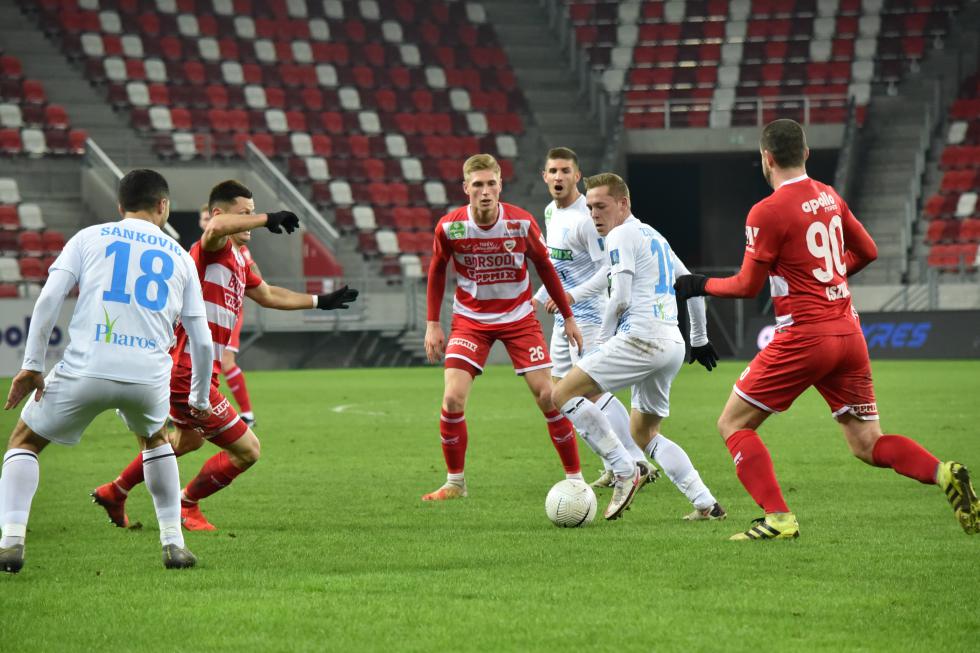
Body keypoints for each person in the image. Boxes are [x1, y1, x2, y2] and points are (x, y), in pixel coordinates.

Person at [673, 118, 979, 540]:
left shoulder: (766, 211)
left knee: (733, 424)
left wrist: (698, 285)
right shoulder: (828, 196)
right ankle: (942, 472)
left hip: (804, 336)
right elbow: (867, 251)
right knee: (867, 442)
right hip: (848, 333)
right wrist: (827, 280)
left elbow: (746, 286)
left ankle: (778, 518)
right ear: (806, 153)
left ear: (766, 158)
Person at [92, 180, 359, 532]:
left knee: (188, 440)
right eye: (244, 214)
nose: (250, 221)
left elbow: (268, 295)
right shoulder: (212, 249)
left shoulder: (239, 261)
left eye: (253, 213)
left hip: (196, 371)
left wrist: (320, 301)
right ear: (221, 212)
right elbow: (216, 226)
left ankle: (116, 490)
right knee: (248, 450)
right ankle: (187, 504)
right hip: (187, 372)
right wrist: (267, 218)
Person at [1, 169, 213, 572]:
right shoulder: (181, 257)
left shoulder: (89, 238)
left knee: (24, 441)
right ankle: (174, 543)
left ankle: (11, 541)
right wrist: (199, 400)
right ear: (163, 205)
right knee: (155, 441)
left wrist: (32, 365)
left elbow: (48, 300)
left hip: (87, 367)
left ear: (120, 205)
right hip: (148, 377)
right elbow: (202, 341)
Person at [552, 173, 725, 521]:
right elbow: (691, 285)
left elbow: (620, 297)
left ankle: (623, 469)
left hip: (640, 338)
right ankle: (706, 503)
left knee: (561, 394)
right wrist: (699, 339)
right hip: (671, 344)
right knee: (644, 432)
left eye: (601, 206)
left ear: (623, 204)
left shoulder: (620, 235)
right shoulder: (655, 236)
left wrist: (601, 343)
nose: (594, 214)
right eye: (590, 207)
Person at [423, 153, 585, 501]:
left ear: (500, 186)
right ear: (465, 188)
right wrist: (432, 323)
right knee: (452, 398)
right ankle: (455, 483)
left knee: (549, 396)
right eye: (477, 185)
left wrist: (568, 317)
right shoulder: (450, 227)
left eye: (491, 184)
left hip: (519, 319)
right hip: (470, 320)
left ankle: (576, 479)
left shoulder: (521, 223)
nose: (485, 192)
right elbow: (437, 270)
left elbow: (545, 267)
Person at [532, 147, 659, 491]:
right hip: (565, 317)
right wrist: (540, 297)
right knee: (561, 388)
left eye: (565, 171)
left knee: (587, 391)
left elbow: (607, 270)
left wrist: (572, 296)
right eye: (553, 171)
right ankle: (613, 463)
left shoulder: (586, 219)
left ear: (577, 175)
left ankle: (635, 461)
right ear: (544, 176)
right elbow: (557, 265)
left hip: (589, 315)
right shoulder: (550, 212)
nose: (558, 177)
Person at [199, 203, 256, 428]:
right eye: (204, 219)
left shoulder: (237, 248)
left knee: (226, 361)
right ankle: (191, 410)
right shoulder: (199, 247)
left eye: (209, 218)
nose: (207, 222)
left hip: (228, 313)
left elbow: (254, 280)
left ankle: (247, 414)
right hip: (204, 314)